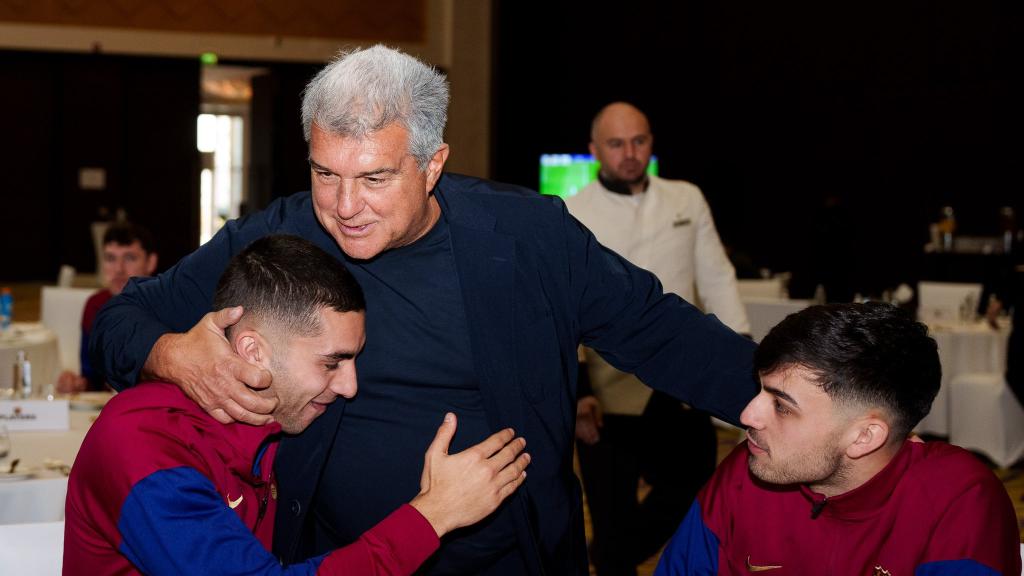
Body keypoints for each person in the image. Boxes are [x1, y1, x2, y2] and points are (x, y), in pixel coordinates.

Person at [91, 45, 758, 575]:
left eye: (375, 178)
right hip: (334, 558)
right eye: (327, 173)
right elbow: (115, 325)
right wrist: (168, 353)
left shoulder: (528, 239)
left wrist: (778, 403)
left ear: (432, 165)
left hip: (510, 556)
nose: (345, 206)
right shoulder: (280, 239)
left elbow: (661, 332)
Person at [65, 234, 530, 575]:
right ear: (252, 352)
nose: (350, 386)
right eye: (333, 362)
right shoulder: (144, 446)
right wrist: (435, 513)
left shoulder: (262, 424)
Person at [655, 302, 1021, 576]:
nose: (748, 416)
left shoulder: (959, 501)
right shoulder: (750, 470)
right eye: (760, 390)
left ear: (864, 436)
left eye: (781, 406)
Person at [565, 102, 750, 576]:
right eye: (616, 143)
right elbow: (561, 304)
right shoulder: (571, 210)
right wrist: (579, 392)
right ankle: (612, 556)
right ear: (593, 151)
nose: (630, 153)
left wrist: (746, 359)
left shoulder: (686, 198)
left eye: (639, 141)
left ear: (651, 143)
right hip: (606, 386)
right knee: (610, 509)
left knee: (694, 485)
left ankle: (611, 556)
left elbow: (716, 278)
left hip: (679, 373)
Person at [57, 222, 158, 393]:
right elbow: (92, 378)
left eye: (129, 258)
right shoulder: (95, 306)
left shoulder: (166, 307)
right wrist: (77, 384)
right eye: (110, 258)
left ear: (150, 262)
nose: (119, 269)